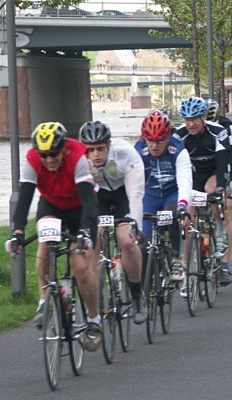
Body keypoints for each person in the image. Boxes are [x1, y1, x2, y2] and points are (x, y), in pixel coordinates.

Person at [9, 122, 102, 351]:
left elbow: (89, 202)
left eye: (53, 154)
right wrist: (17, 231)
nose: (49, 160)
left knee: (80, 266)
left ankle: (93, 319)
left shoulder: (78, 156)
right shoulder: (32, 160)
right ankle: (44, 300)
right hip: (52, 204)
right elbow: (25, 199)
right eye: (44, 155)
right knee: (44, 238)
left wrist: (84, 233)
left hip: (80, 207)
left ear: (63, 149)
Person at [79, 120, 147, 324]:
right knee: (94, 241)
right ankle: (96, 299)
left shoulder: (125, 153)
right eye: (90, 150)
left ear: (109, 145)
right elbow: (83, 197)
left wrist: (136, 226)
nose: (96, 154)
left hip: (123, 196)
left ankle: (137, 295)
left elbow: (135, 194)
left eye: (100, 149)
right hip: (98, 198)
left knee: (126, 241)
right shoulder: (81, 162)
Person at [175, 96, 232, 285]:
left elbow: (223, 162)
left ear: (204, 116)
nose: (190, 124)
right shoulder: (179, 135)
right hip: (193, 176)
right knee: (188, 221)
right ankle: (183, 267)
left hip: (214, 172)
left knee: (213, 193)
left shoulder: (217, 131)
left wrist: (221, 187)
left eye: (194, 119)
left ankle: (220, 230)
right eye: (186, 119)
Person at [134, 110, 193, 289]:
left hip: (171, 193)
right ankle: (143, 291)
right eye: (150, 140)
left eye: (160, 141)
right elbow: (132, 183)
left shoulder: (179, 150)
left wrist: (183, 205)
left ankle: (176, 257)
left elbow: (185, 180)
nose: (154, 145)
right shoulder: (138, 150)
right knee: (142, 245)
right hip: (149, 195)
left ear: (168, 137)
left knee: (174, 213)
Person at [205, 98, 232, 286]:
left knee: (225, 212)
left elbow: (230, 157)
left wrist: (225, 183)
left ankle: (224, 264)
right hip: (203, 173)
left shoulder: (226, 127)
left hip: (224, 169)